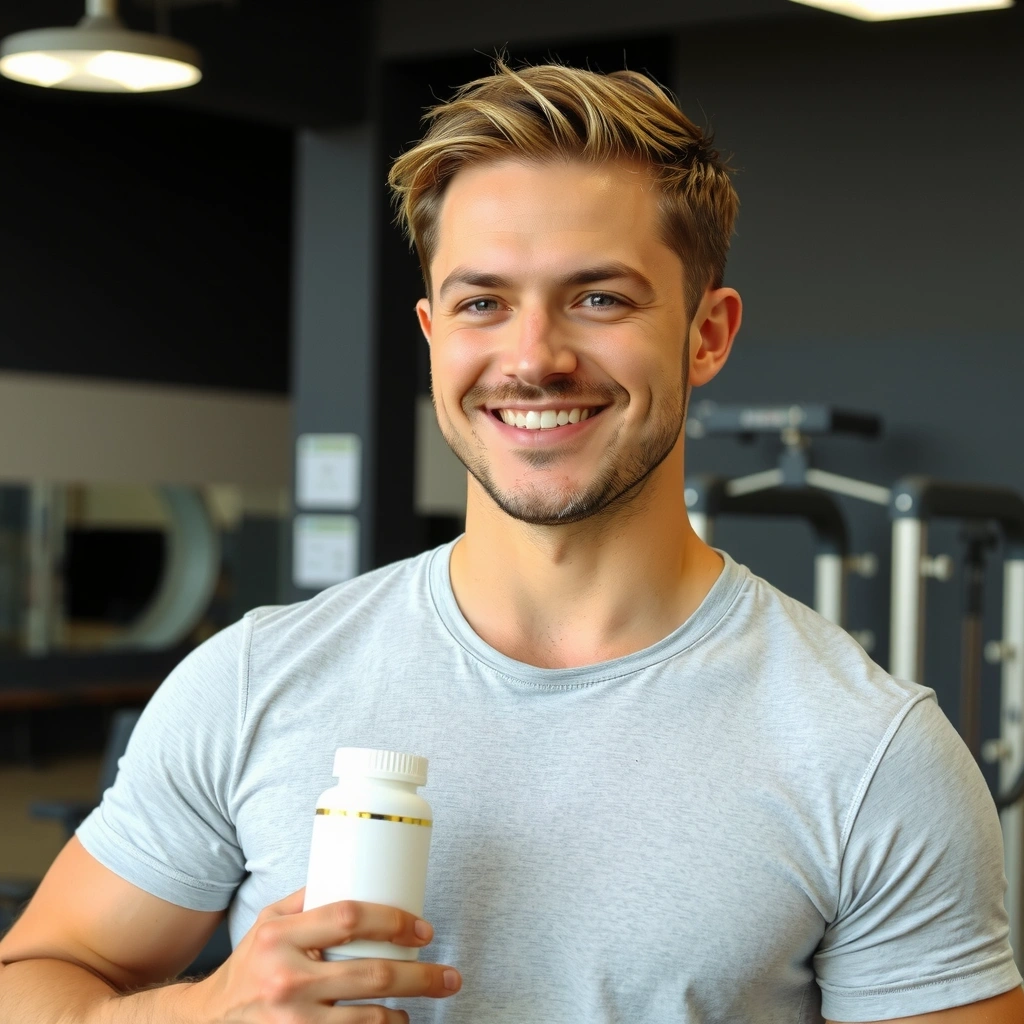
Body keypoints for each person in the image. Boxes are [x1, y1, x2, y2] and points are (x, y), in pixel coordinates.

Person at [1, 61, 1022, 1024]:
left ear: (707, 333)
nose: (532, 358)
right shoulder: (255, 680)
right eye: (482, 302)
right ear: (433, 332)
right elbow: (34, 979)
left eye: (599, 297)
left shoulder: (869, 754)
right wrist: (203, 1011)